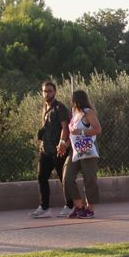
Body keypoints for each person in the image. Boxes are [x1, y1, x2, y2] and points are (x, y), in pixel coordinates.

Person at [31, 81, 74, 218]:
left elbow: (65, 127)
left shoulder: (59, 107)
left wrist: (62, 142)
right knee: (41, 177)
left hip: (58, 150)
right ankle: (44, 208)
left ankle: (70, 206)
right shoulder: (45, 107)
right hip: (45, 150)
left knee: (64, 179)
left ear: (54, 92)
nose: (47, 93)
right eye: (45, 91)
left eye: (49, 91)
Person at [62, 90, 102, 218]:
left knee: (89, 179)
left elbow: (98, 129)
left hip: (88, 151)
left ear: (76, 100)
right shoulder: (75, 114)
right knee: (67, 178)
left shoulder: (88, 112)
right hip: (75, 151)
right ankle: (79, 206)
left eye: (73, 99)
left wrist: (82, 132)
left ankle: (90, 209)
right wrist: (65, 145)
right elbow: (73, 135)